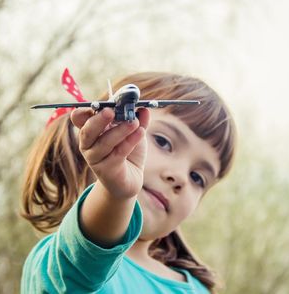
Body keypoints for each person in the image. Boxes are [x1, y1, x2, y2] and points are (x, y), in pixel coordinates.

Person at [20, 70, 237, 293]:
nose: (180, 177)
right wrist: (116, 195)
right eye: (163, 142)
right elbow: (78, 267)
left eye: (197, 177)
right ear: (104, 130)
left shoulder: (199, 290)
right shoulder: (65, 266)